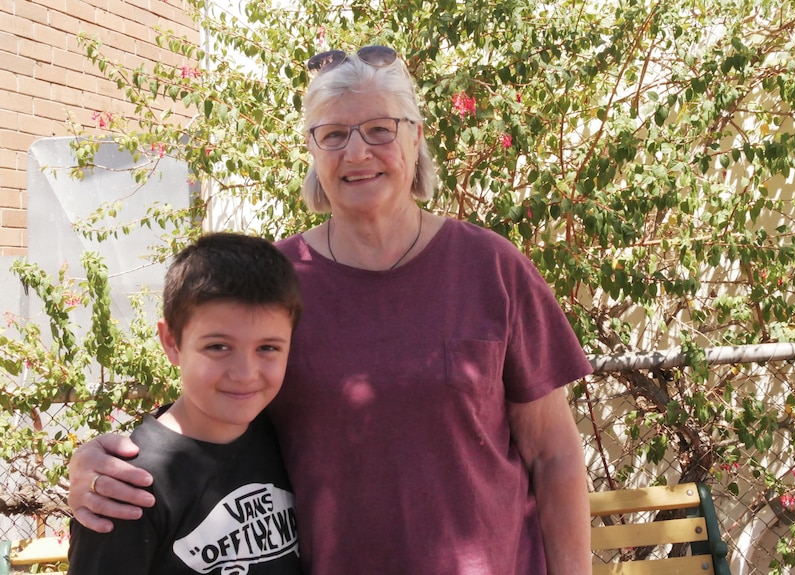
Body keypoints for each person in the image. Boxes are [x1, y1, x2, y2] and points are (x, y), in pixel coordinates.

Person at [66, 46, 594, 575]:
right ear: (313, 151)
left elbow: (555, 455)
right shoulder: (274, 280)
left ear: (415, 135)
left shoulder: (491, 267)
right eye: (334, 135)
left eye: (380, 129)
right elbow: (213, 404)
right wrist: (113, 461)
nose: (357, 153)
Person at [67, 232, 303, 575]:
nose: (245, 373)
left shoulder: (285, 437)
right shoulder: (125, 486)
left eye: (268, 348)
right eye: (218, 347)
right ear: (172, 342)